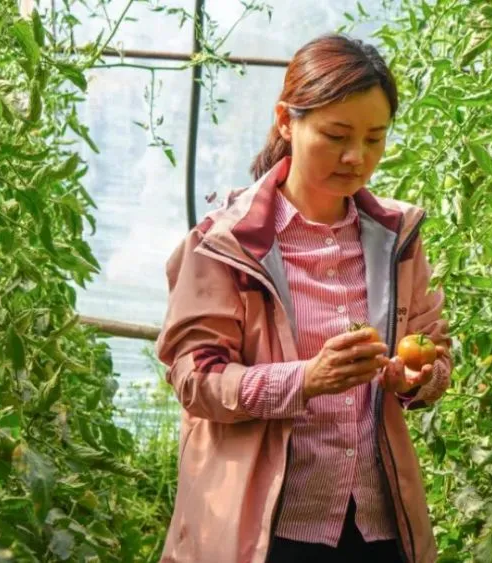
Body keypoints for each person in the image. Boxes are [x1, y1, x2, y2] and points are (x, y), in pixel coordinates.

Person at [154, 33, 452, 563]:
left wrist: (419, 378)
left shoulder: (397, 238)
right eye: (336, 135)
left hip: (376, 526)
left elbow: (432, 348)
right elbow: (194, 378)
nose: (356, 156)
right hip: (264, 529)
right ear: (286, 121)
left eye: (375, 138)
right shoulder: (228, 242)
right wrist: (305, 380)